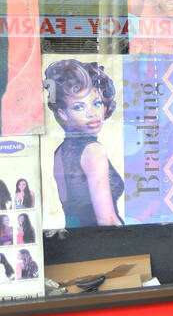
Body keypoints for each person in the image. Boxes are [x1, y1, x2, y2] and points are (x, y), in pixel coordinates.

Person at [45, 59, 125, 227]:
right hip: (101, 244)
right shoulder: (93, 151)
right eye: (79, 107)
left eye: (97, 103)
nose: (93, 114)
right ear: (63, 113)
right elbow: (107, 221)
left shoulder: (59, 152)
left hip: (75, 241)